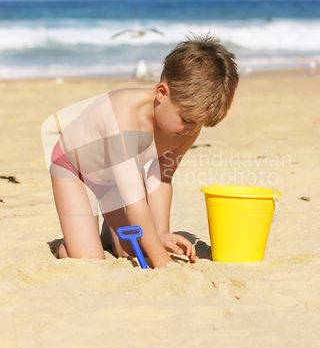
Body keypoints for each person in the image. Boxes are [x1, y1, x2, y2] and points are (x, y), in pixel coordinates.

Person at [45, 35, 239, 268]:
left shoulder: (187, 127)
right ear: (161, 93)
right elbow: (134, 202)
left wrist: (160, 233)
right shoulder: (124, 116)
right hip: (74, 171)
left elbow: (162, 176)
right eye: (187, 120)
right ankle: (72, 244)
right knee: (90, 261)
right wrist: (162, 261)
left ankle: (110, 234)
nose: (192, 130)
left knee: (133, 252)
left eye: (200, 123)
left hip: (116, 182)